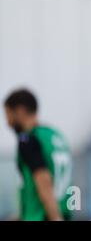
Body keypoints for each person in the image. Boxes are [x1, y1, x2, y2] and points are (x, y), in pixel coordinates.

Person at [3, 89, 72, 221]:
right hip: (64, 212)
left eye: (8, 115)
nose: (8, 123)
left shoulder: (28, 140)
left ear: (20, 111)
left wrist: (55, 218)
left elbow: (44, 182)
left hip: (46, 215)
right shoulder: (55, 136)